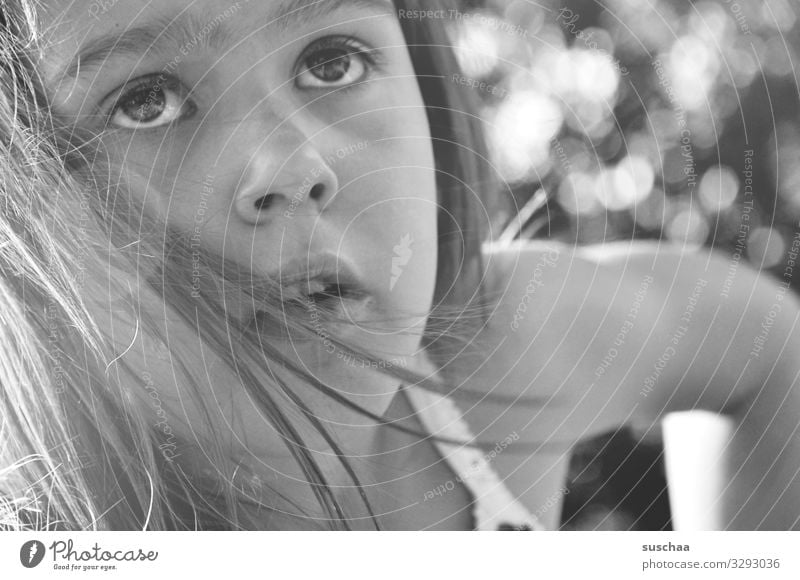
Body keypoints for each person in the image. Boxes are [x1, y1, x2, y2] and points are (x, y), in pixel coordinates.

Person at [0, 0, 797, 531]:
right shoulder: (47, 525)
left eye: (331, 61)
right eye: (146, 102)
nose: (290, 164)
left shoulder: (500, 356)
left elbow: (768, 354)